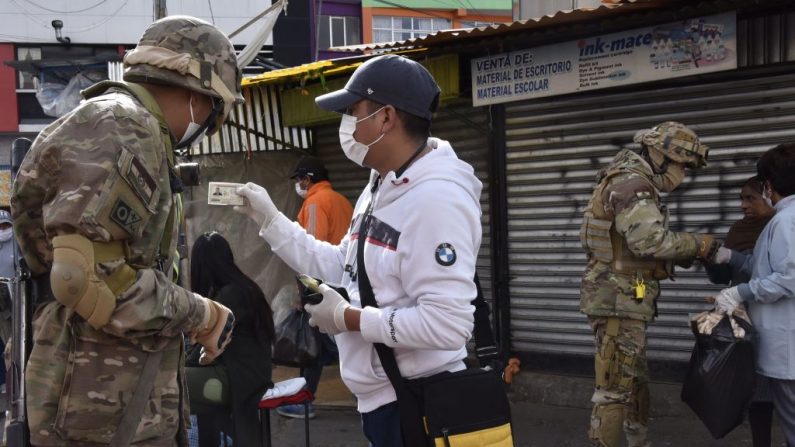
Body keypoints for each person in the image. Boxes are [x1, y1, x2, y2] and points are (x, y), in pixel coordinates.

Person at [10, 16, 241, 446]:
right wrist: (203, 315)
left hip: (116, 409)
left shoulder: (133, 129)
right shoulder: (123, 126)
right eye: (215, 110)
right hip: (93, 417)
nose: (209, 124)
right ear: (199, 93)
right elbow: (82, 279)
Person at [235, 54, 482, 446]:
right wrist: (271, 221)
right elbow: (342, 264)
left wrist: (348, 318)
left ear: (386, 118)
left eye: (353, 111)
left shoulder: (435, 199)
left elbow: (448, 325)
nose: (345, 124)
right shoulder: (380, 186)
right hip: (384, 401)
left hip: (418, 402)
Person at [579, 121, 717, 447]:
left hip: (632, 293)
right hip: (616, 301)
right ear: (660, 154)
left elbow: (638, 257)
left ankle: (638, 441)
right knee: (614, 387)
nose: (682, 175)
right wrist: (698, 245)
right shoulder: (632, 184)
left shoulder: (634, 181)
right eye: (681, 165)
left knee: (635, 378)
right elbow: (649, 242)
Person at [713, 143, 795, 446]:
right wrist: (726, 257)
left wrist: (739, 292)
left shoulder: (785, 221)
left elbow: (788, 278)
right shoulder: (782, 221)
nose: (745, 205)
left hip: (788, 348)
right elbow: (767, 266)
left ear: (769, 186)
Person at [278, 156, 353, 419]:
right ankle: (367, 388)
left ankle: (304, 399)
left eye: (299, 179)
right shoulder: (342, 201)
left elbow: (308, 250)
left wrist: (303, 293)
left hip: (321, 286)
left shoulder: (314, 203)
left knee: (316, 345)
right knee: (343, 340)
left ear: (307, 179)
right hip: (347, 282)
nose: (298, 185)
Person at [704, 175, 775, 447]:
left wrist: (732, 257)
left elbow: (772, 273)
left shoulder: (780, 229)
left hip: (776, 316)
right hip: (746, 319)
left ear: (770, 195)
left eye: (750, 199)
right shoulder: (738, 230)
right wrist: (710, 260)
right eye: (741, 199)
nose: (743, 205)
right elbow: (723, 277)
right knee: (758, 390)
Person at [186, 232, 275, 445]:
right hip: (247, 373)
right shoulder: (242, 288)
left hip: (239, 379)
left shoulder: (231, 296)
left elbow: (205, 348)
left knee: (169, 382)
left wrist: (175, 358)